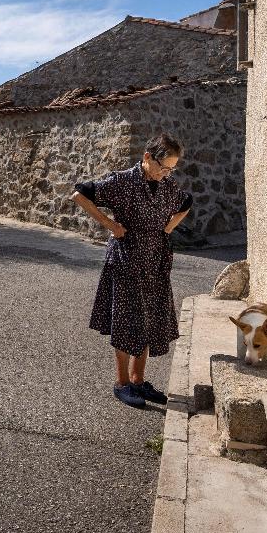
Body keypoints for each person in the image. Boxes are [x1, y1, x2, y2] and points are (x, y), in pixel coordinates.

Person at [71, 133, 192, 409]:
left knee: (148, 319)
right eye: (163, 167)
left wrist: (167, 229)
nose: (166, 173)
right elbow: (80, 194)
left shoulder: (167, 185)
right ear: (147, 157)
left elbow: (186, 203)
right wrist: (111, 225)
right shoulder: (122, 182)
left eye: (171, 169)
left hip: (155, 261)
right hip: (126, 260)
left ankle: (138, 380)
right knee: (126, 322)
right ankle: (122, 383)